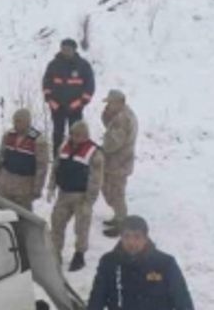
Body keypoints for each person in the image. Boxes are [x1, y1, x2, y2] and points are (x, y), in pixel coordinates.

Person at [87, 216, 195, 310]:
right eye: (127, 236)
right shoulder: (109, 262)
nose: (131, 242)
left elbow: (182, 301)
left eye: (137, 236)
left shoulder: (165, 264)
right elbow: (96, 300)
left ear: (146, 238)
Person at [49, 121, 105, 272]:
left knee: (81, 227)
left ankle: (79, 254)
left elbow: (96, 178)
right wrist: (51, 187)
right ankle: (55, 254)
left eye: (78, 135)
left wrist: (90, 200)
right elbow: (56, 167)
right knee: (56, 224)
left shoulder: (94, 152)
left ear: (86, 136)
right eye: (73, 134)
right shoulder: (63, 147)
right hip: (64, 194)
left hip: (82, 196)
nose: (74, 138)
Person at [0, 108, 51, 211]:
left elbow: (42, 168)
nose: (15, 124)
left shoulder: (39, 141)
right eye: (14, 121)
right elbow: (0, 157)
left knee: (22, 217)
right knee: (0, 213)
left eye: (18, 121)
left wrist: (37, 189)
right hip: (5, 185)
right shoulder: (8, 135)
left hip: (24, 188)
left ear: (27, 122)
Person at [42, 38, 96, 155]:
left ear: (74, 50)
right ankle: (57, 158)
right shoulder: (53, 65)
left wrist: (78, 104)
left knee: (77, 135)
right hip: (57, 108)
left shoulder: (83, 66)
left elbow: (89, 88)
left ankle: (75, 157)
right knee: (57, 134)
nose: (65, 51)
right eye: (63, 49)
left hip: (75, 109)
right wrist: (51, 101)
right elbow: (46, 84)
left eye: (68, 49)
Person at [100, 90, 138, 237]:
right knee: (113, 191)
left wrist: (102, 150)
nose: (108, 105)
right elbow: (108, 126)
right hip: (120, 161)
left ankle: (122, 222)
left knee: (116, 192)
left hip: (118, 162)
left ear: (119, 102)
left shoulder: (122, 119)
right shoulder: (123, 115)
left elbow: (114, 142)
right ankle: (118, 217)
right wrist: (107, 114)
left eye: (110, 103)